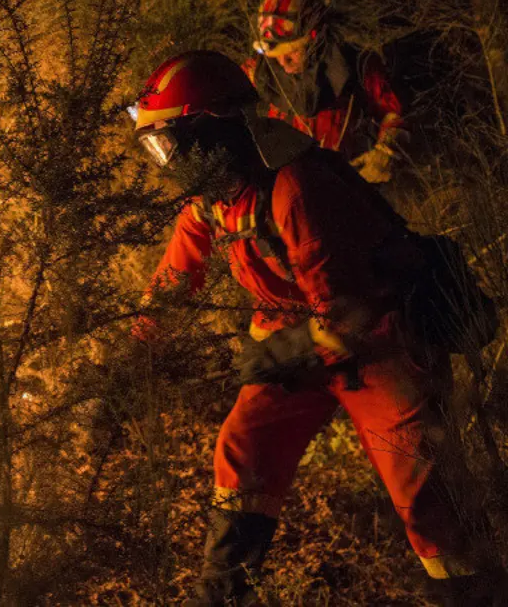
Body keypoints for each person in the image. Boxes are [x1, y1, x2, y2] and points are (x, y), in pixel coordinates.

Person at [132, 50, 498, 606]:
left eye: (167, 144)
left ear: (211, 129)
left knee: (425, 496)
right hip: (300, 344)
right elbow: (171, 285)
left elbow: (348, 314)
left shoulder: (295, 186)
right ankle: (222, 595)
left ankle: (475, 593)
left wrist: (275, 354)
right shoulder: (215, 197)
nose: (166, 162)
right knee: (244, 450)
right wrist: (129, 361)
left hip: (382, 348)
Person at [243, 0, 407, 184]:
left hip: (348, 184)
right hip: (287, 191)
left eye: (293, 50)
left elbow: (393, 113)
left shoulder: (355, 63)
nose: (283, 63)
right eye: (276, 54)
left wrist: (385, 153)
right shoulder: (258, 73)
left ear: (315, 37)